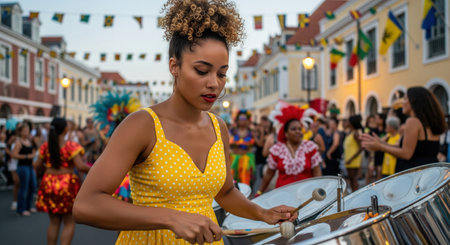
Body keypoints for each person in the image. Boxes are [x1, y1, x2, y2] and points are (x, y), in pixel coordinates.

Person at [73, 1, 297, 244]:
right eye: (202, 71)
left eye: (221, 73)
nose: (214, 83)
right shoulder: (142, 124)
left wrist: (262, 213)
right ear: (174, 67)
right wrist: (170, 218)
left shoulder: (218, 126)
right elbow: (86, 205)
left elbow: (225, 192)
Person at [361, 86, 447, 172]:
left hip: (415, 173)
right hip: (429, 170)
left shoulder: (413, 121)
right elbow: (409, 148)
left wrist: (380, 147)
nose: (402, 103)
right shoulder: (429, 122)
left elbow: (406, 154)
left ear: (414, 102)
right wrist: (380, 142)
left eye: (405, 99)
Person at [34, 117, 90, 245]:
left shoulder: (45, 147)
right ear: (66, 129)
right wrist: (93, 170)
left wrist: (48, 169)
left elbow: (37, 165)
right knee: (69, 222)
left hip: (49, 182)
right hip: (66, 184)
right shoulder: (71, 146)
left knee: (54, 222)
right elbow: (80, 166)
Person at [257, 102, 322, 195]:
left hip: (307, 196)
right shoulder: (277, 150)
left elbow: (317, 173)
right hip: (283, 196)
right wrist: (259, 192)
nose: (298, 132)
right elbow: (268, 174)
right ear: (286, 133)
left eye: (300, 129)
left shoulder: (310, 147)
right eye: (294, 129)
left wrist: (320, 192)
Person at [11, 124, 37, 216]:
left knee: (33, 186)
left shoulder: (29, 141)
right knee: (24, 187)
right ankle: (21, 209)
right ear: (21, 132)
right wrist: (26, 156)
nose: (27, 132)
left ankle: (28, 206)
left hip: (30, 166)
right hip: (23, 167)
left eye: (28, 130)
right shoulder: (19, 142)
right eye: (25, 131)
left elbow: (33, 151)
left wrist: (33, 154)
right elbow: (13, 155)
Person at [229, 110, 256, 185]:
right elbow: (228, 144)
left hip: (246, 160)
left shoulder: (251, 132)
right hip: (233, 159)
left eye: (244, 119)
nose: (242, 121)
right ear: (237, 120)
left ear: (248, 121)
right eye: (240, 119)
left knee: (245, 180)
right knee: (233, 180)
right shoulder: (232, 131)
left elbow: (255, 145)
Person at [344, 115, 363, 192]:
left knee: (353, 179)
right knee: (351, 179)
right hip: (349, 159)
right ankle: (353, 193)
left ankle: (355, 194)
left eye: (348, 121)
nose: (346, 122)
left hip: (353, 160)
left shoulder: (355, 133)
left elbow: (361, 147)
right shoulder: (350, 132)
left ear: (351, 123)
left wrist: (351, 159)